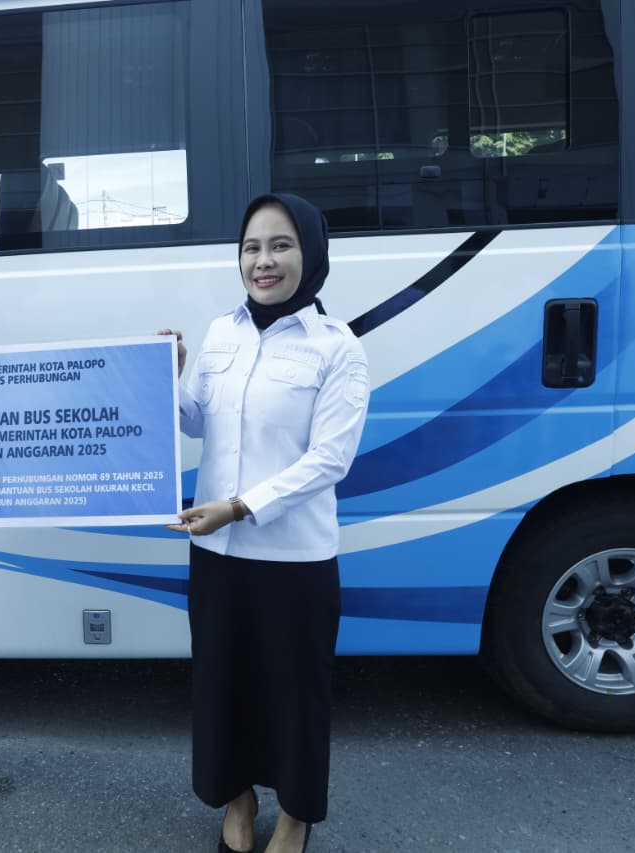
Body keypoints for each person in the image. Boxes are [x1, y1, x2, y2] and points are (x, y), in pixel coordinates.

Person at [161, 193, 368, 853]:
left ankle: (296, 816)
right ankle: (239, 798)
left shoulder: (337, 347)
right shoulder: (223, 331)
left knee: (294, 695)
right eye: (252, 247)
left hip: (294, 558)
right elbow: (194, 420)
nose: (263, 260)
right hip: (217, 552)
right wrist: (166, 379)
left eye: (280, 245)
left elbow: (329, 459)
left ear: (310, 254)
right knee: (223, 686)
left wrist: (243, 504)